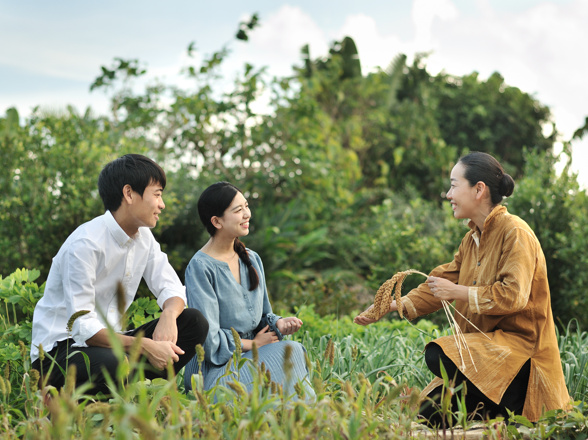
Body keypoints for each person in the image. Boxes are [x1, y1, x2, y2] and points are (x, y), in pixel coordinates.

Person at [355, 152, 569, 424]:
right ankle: (490, 406)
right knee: (427, 417)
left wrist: (457, 292)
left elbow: (513, 296)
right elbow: (438, 283)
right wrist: (392, 304)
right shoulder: (470, 241)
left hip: (520, 358)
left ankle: (505, 407)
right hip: (485, 359)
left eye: (454, 185)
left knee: (437, 353)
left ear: (479, 189)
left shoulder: (516, 232)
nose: (448, 194)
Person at [31, 154, 209, 395]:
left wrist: (168, 314)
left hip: (112, 345)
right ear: (129, 193)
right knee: (113, 361)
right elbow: (83, 328)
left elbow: (172, 288)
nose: (162, 204)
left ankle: (128, 391)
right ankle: (66, 394)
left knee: (193, 322)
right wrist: (144, 346)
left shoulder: (144, 237)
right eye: (157, 194)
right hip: (60, 352)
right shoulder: (85, 244)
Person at [183, 182, 315, 399]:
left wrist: (279, 324)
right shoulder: (200, 267)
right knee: (288, 353)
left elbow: (264, 316)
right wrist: (253, 344)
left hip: (256, 353)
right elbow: (209, 340)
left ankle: (299, 418)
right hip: (216, 369)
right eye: (238, 210)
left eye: (246, 206)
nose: (247, 214)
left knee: (294, 350)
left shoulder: (252, 259)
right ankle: (304, 418)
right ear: (216, 221)